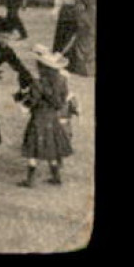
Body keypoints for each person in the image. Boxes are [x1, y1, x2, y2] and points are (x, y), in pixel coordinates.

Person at [19, 46, 78, 187]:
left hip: (39, 117)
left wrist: (23, 101)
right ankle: (56, 177)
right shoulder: (62, 81)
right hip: (53, 117)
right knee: (52, 147)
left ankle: (30, 180)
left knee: (33, 149)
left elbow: (32, 101)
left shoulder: (39, 83)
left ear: (42, 67)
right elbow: (62, 100)